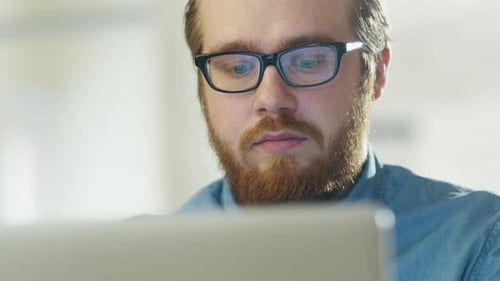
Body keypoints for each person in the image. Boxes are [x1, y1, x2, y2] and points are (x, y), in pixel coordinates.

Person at [177, 0, 500, 280]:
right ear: (200, 86)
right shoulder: (141, 265)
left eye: (308, 61)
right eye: (236, 67)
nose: (272, 98)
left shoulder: (480, 243)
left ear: (376, 72)